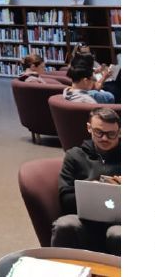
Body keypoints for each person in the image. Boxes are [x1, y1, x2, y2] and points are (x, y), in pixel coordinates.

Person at [50, 107, 121, 254]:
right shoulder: (75, 156)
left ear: (120, 132)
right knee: (65, 225)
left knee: (118, 234)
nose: (104, 138)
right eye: (99, 132)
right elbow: (65, 199)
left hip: (121, 223)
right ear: (89, 128)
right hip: (85, 222)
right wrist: (91, 190)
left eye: (111, 134)